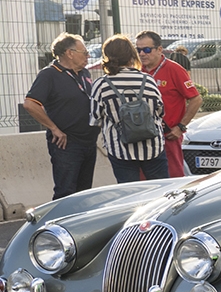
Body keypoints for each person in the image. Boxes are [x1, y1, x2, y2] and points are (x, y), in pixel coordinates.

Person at [23, 33, 98, 199]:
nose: (88, 56)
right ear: (70, 53)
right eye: (84, 52)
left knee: (84, 193)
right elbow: (30, 104)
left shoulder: (84, 73)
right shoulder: (49, 75)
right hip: (67, 145)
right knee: (66, 193)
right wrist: (53, 128)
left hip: (89, 143)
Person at [90, 34, 168, 183]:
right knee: (161, 190)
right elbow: (160, 111)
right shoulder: (148, 80)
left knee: (129, 193)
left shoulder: (101, 85)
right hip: (153, 147)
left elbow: (95, 118)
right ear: (132, 55)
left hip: (120, 149)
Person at [136, 30, 202, 178]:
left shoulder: (174, 69)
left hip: (168, 137)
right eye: (138, 50)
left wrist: (180, 127)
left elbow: (196, 99)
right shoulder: (136, 71)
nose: (142, 54)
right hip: (141, 137)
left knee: (172, 179)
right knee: (143, 183)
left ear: (159, 49)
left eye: (146, 49)